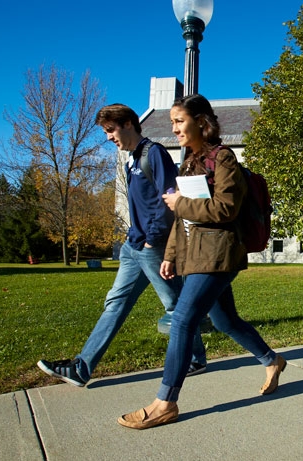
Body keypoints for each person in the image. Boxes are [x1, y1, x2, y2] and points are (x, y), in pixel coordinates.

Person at [117, 94, 286, 430]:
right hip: (196, 254)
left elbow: (226, 210)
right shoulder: (189, 164)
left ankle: (165, 402)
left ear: (201, 122)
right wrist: (170, 255)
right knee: (226, 322)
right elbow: (184, 222)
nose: (175, 128)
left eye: (180, 121)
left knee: (182, 320)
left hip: (220, 253)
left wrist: (180, 203)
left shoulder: (223, 160)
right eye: (173, 123)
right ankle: (273, 360)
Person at [37, 103, 207, 387]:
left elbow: (167, 201)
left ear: (128, 123)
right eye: (105, 132)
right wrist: (136, 236)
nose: (108, 137)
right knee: (115, 303)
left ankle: (195, 358)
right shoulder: (131, 159)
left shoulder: (154, 154)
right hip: (133, 246)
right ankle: (82, 367)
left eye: (110, 130)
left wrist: (153, 240)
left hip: (153, 247)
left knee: (176, 304)